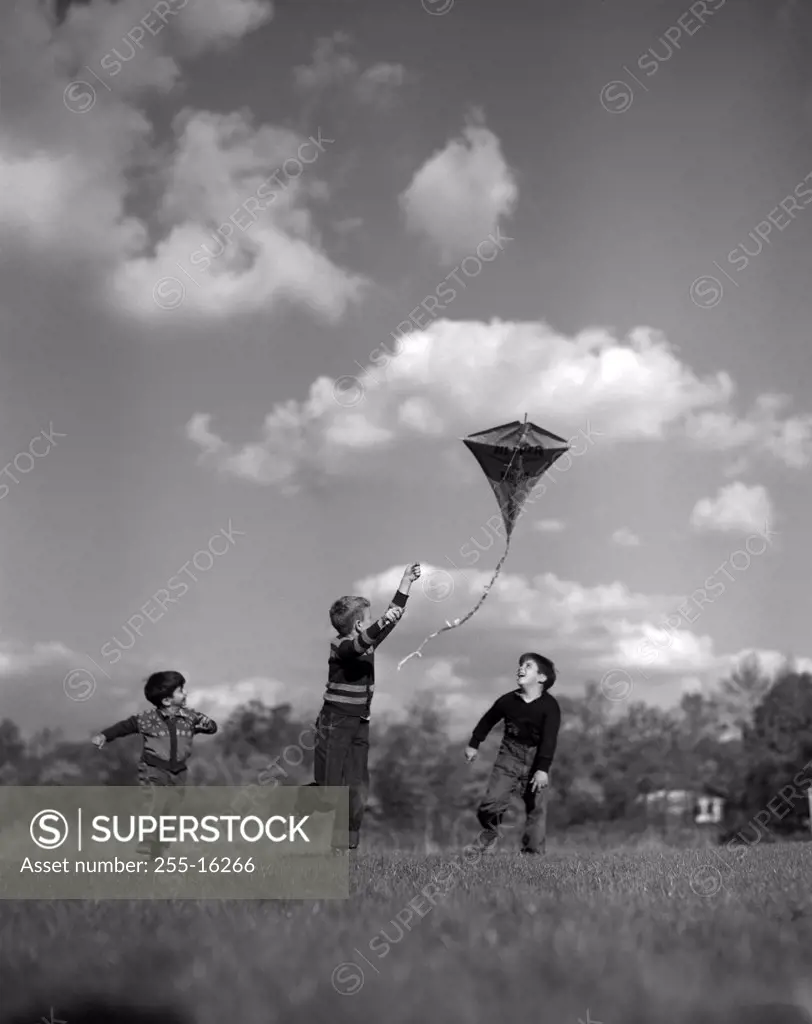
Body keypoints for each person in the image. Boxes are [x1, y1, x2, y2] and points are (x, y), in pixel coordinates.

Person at [307, 563, 422, 852]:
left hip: (359, 723)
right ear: (359, 625)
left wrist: (405, 583)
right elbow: (356, 647)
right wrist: (382, 622)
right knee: (329, 789)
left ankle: (347, 845)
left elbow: (390, 620)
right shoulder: (340, 647)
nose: (374, 622)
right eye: (369, 619)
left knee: (357, 788)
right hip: (334, 722)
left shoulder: (367, 643)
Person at [91, 670, 217, 857]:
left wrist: (208, 724)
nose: (185, 694)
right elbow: (124, 727)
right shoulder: (148, 719)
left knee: (172, 811)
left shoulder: (190, 717)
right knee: (157, 802)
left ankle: (159, 850)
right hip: (153, 769)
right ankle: (148, 839)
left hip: (179, 771)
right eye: (180, 690)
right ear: (166, 700)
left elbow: (211, 727)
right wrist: (104, 736)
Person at [464, 652, 561, 854]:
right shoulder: (507, 701)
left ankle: (533, 854)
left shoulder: (550, 706)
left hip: (537, 759)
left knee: (536, 808)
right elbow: (487, 721)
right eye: (520, 665)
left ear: (541, 678)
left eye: (528, 666)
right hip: (509, 755)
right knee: (491, 804)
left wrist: (542, 770)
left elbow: (549, 739)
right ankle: (490, 832)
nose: (521, 668)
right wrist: (474, 744)